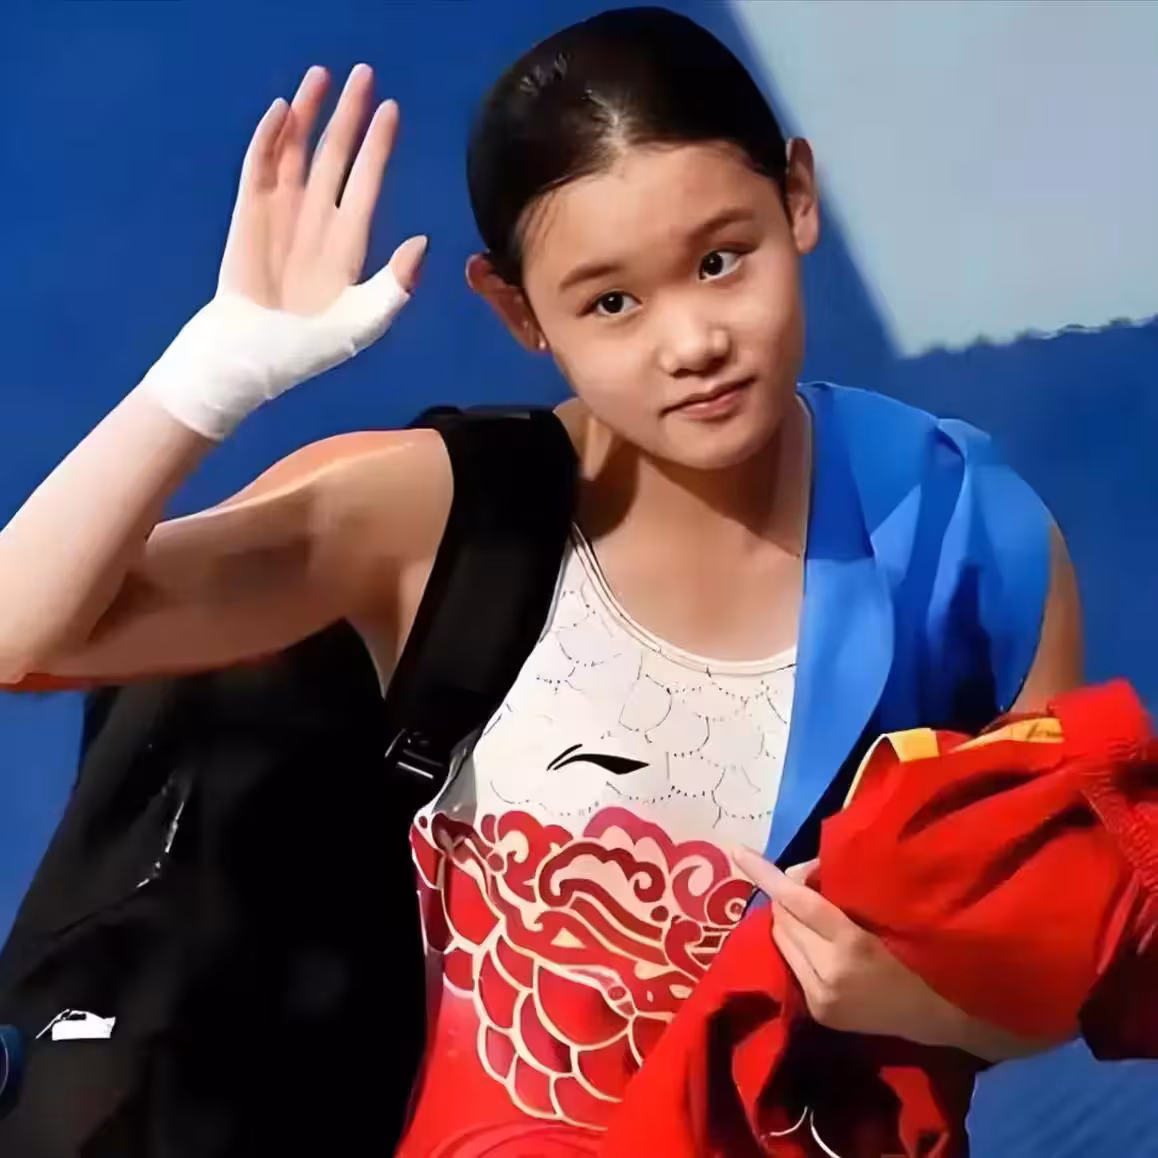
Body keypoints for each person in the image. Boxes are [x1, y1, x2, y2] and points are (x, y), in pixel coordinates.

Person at [0, 6, 1082, 1153]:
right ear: (517, 310)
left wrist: (918, 1005)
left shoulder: (964, 534)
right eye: (612, 302)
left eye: (721, 260)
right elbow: (26, 635)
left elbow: (1067, 963)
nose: (692, 341)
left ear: (798, 199)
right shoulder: (439, 520)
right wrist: (207, 380)